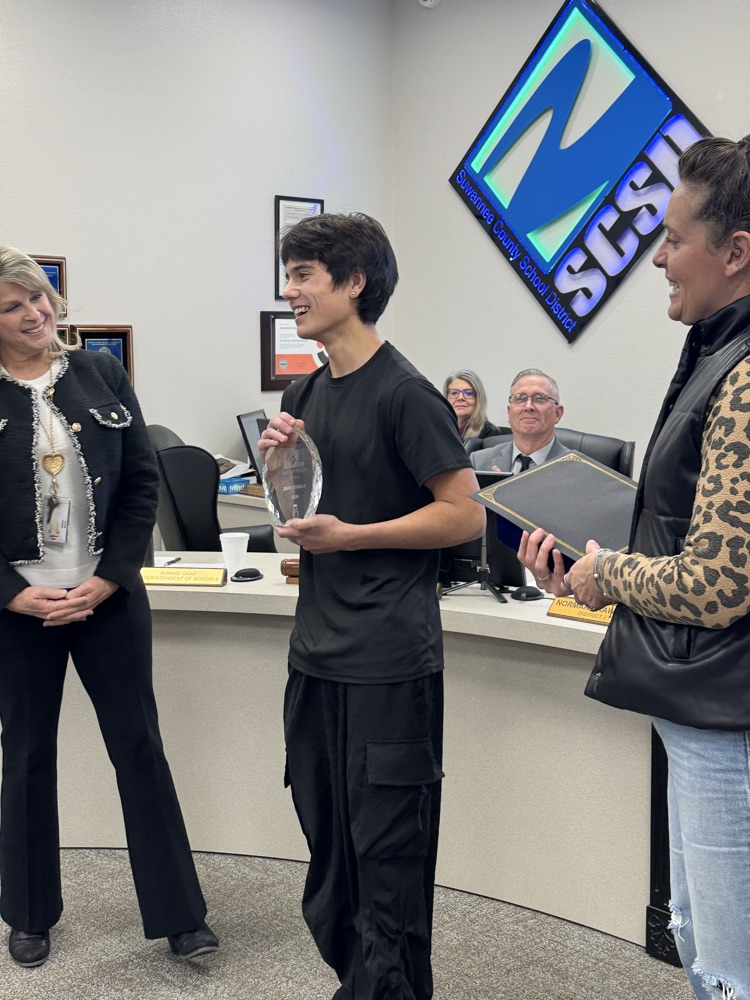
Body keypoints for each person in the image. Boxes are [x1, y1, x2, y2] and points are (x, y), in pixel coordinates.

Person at [519, 135, 750, 999]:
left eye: (674, 239)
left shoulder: (744, 374)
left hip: (729, 714)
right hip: (710, 703)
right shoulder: (716, 351)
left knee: (727, 969)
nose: (657, 258)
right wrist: (590, 559)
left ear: (736, 253)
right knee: (704, 943)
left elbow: (720, 581)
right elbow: (688, 526)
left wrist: (606, 575)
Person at [259, 213, 485, 1000]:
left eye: (303, 276)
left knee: (388, 870)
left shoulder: (408, 393)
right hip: (316, 657)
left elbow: (464, 514)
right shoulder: (306, 389)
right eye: (288, 275)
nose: (289, 291)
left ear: (355, 282)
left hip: (389, 664)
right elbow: (300, 516)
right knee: (333, 866)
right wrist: (278, 467)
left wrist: (353, 536)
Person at [0, 247, 218, 968]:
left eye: (40, 298)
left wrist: (115, 575)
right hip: (18, 611)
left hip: (108, 600)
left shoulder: (100, 372)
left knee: (140, 747)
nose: (35, 314)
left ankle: (180, 914)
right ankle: (29, 912)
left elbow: (142, 483)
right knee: (26, 757)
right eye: (13, 306)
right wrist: (12, 592)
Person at [472, 368, 568, 473]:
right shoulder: (478, 462)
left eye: (539, 398)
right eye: (520, 398)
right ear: (509, 412)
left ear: (557, 413)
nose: (528, 406)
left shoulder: (579, 469)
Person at [442, 368, 506, 446]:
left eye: (468, 393)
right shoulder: (440, 433)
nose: (460, 398)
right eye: (454, 393)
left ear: (478, 398)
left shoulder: (492, 438)